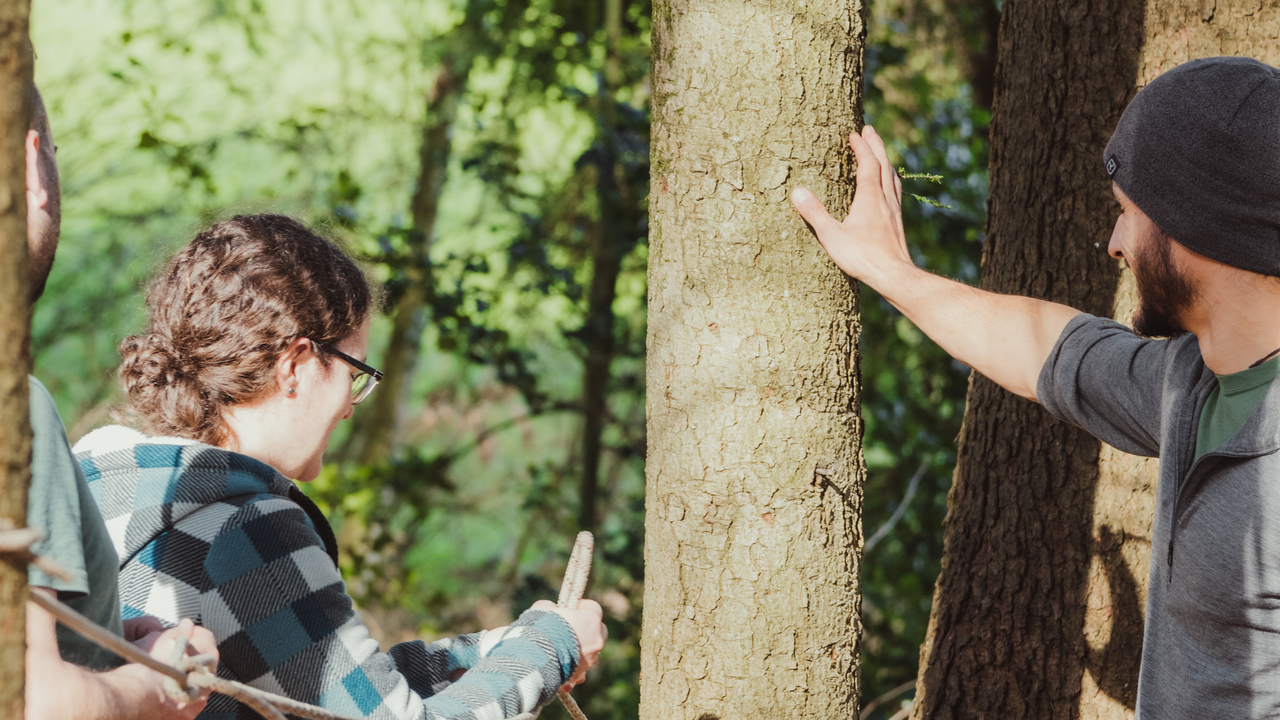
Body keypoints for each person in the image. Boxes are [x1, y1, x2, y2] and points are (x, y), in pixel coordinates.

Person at [792, 55, 1280, 718]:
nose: (1114, 243)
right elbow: (1050, 348)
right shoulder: (1193, 384)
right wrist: (889, 270)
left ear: (1194, 224)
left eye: (1127, 213)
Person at [72, 213, 607, 719]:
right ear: (295, 365)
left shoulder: (107, 484)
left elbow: (334, 687)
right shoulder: (245, 529)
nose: (351, 405)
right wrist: (552, 647)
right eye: (353, 373)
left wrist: (503, 650)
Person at [21, 86, 218, 719]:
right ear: (30, 169)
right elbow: (36, 702)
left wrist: (105, 643)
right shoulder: (12, 411)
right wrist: (158, 689)